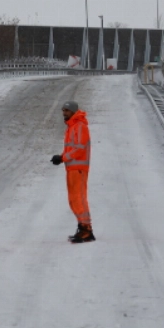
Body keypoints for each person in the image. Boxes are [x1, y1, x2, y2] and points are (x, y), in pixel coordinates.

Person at [51, 100, 94, 243]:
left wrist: (62, 158)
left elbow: (79, 148)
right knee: (73, 200)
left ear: (74, 111)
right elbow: (71, 148)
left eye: (67, 110)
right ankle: (83, 228)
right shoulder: (72, 127)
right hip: (72, 168)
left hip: (78, 169)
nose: (64, 113)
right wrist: (62, 157)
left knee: (79, 198)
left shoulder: (80, 126)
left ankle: (86, 230)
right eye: (63, 110)